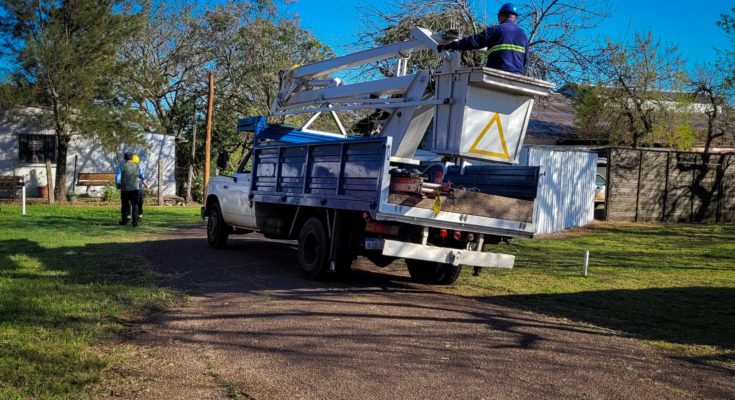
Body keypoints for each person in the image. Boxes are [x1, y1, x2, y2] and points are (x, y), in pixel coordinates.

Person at [437, 2, 528, 74]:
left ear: (501, 16)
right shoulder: (523, 35)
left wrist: (452, 45)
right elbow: (525, 60)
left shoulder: (496, 30)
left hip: (496, 75)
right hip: (517, 77)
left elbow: (474, 42)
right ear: (515, 18)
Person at [115, 152, 144, 226]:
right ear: (132, 158)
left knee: (124, 205)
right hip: (135, 188)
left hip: (125, 189)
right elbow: (141, 176)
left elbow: (118, 177)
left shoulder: (122, 166)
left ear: (125, 158)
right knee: (135, 205)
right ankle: (135, 222)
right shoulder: (137, 166)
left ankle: (124, 221)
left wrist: (118, 184)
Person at [131, 154, 149, 222]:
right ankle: (137, 216)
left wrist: (146, 186)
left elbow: (143, 178)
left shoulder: (139, 169)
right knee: (138, 203)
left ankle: (137, 216)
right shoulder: (138, 168)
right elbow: (143, 179)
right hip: (137, 189)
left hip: (135, 188)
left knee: (136, 203)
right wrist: (147, 186)